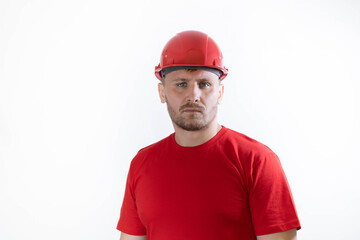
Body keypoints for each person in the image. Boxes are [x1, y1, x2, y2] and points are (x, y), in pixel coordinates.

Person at [116, 30, 301, 240]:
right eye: (181, 84)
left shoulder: (257, 161)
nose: (193, 96)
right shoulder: (141, 164)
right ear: (162, 92)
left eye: (204, 84)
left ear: (220, 93)